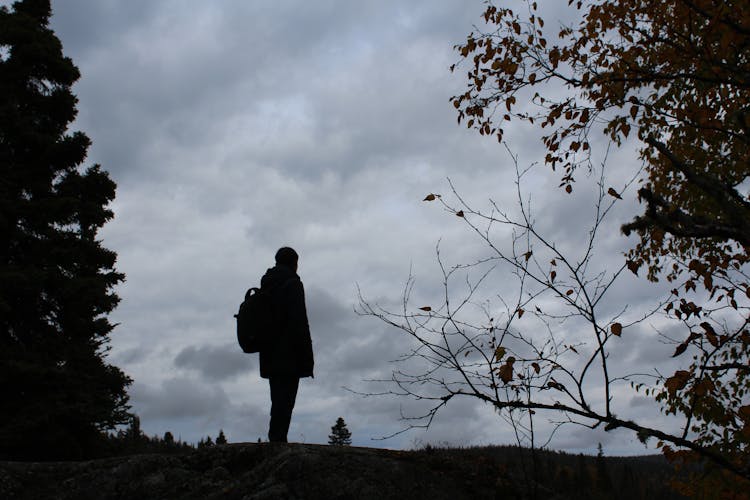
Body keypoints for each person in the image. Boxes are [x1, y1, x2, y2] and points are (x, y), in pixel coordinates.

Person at [259, 247, 314, 442]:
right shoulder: (293, 284)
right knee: (286, 400)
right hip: (290, 353)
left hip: (269, 351)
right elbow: (300, 322)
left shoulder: (267, 283)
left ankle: (276, 438)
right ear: (294, 263)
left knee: (277, 399)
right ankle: (278, 441)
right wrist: (308, 359)